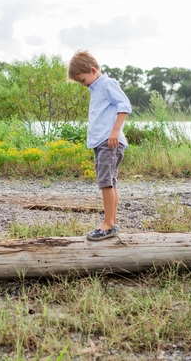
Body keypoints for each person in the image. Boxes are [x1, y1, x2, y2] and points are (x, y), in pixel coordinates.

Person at [68, 50, 132, 241]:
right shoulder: (96, 89)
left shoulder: (107, 84)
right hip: (102, 142)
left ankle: (107, 224)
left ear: (93, 70)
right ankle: (111, 223)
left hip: (108, 142)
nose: (82, 84)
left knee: (105, 182)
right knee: (110, 182)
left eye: (82, 79)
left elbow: (124, 106)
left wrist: (115, 131)